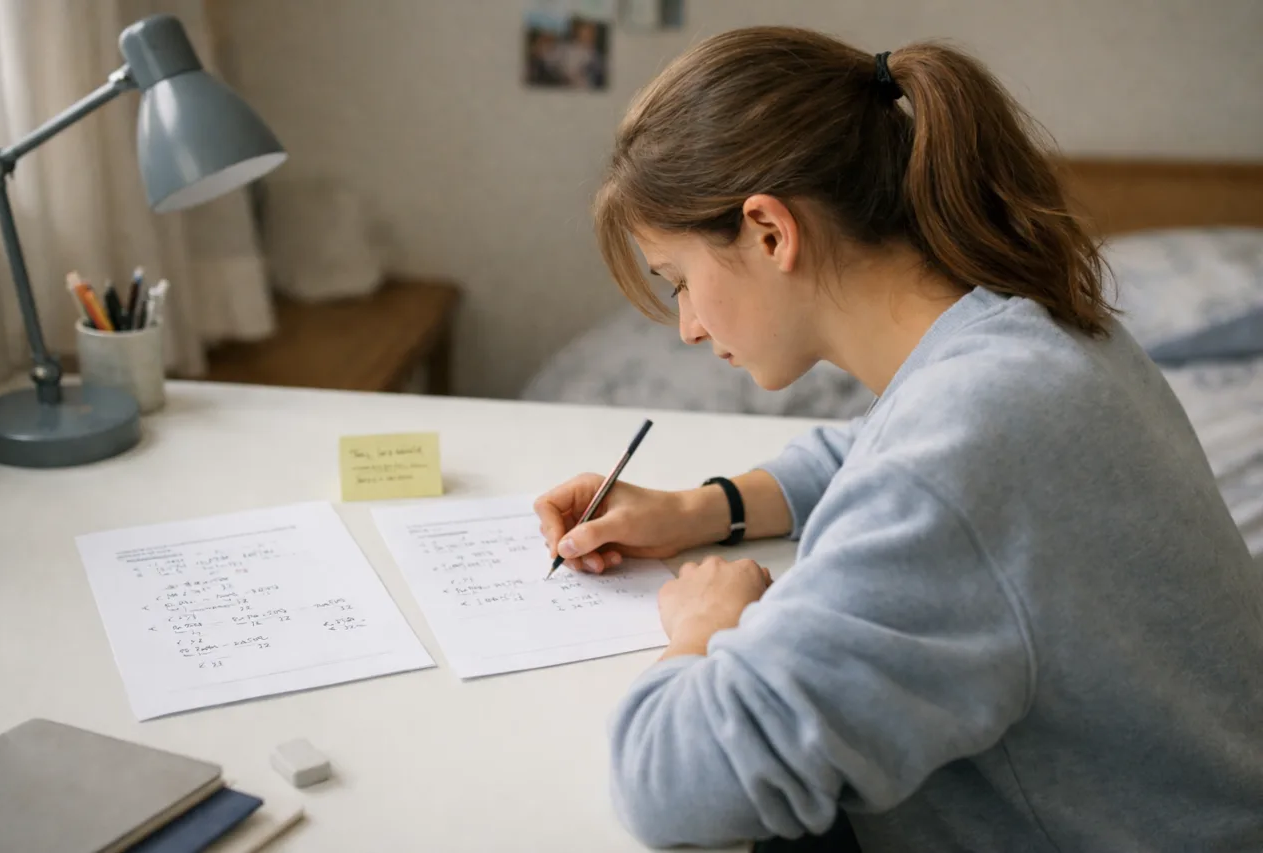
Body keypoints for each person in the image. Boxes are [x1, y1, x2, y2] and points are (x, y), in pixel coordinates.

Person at [533, 26, 1263, 853]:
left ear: (771, 232)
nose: (690, 328)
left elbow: (671, 785)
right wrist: (702, 508)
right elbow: (877, 446)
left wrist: (704, 628)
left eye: (680, 284)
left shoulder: (960, 457)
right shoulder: (1029, 335)